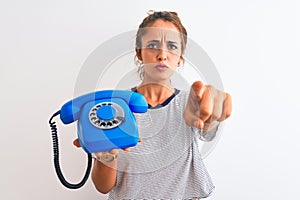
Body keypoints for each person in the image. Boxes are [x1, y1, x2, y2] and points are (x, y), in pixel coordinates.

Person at [74, 11, 232, 199]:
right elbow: (103, 187)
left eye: (172, 46)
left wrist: (209, 115)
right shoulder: (114, 108)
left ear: (180, 56)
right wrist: (107, 154)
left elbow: (207, 128)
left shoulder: (190, 102)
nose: (162, 55)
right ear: (139, 52)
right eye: (153, 45)